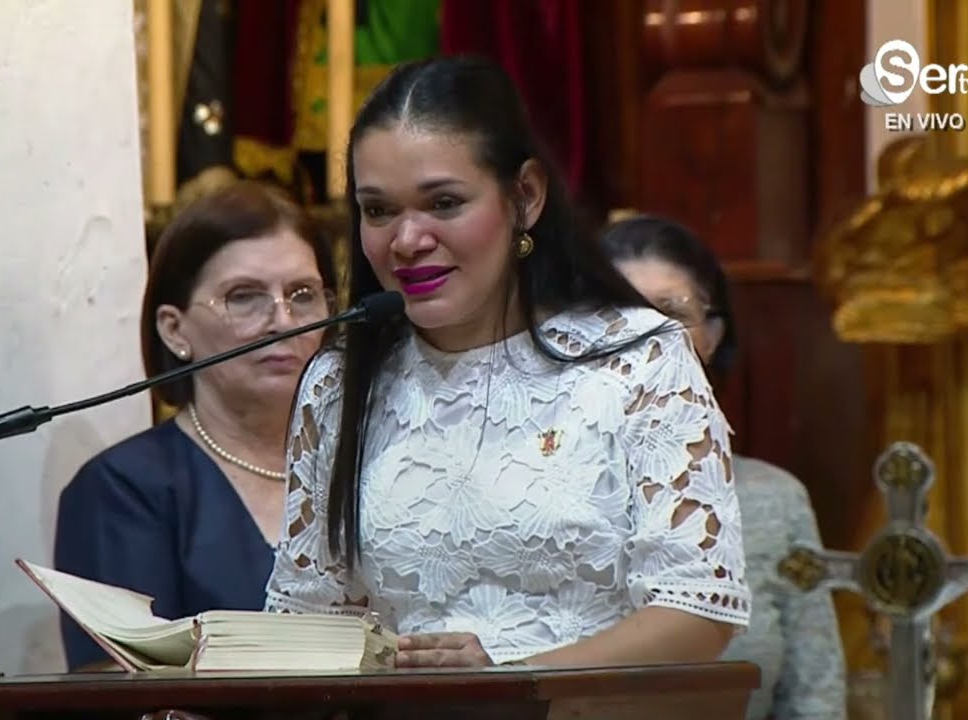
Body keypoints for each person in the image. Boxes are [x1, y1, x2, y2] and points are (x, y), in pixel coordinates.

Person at [263, 56, 750, 668]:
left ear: (525, 196)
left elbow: (697, 611)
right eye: (379, 210)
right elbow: (309, 616)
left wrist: (510, 683)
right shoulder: (339, 385)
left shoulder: (638, 360)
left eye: (443, 203)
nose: (407, 241)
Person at [54, 181, 337, 671]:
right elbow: (124, 696)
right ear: (174, 329)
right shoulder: (124, 490)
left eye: (303, 294)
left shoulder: (372, 464)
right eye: (244, 296)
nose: (283, 320)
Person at [601, 214, 846, 719]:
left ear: (712, 336)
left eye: (669, 312)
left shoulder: (775, 500)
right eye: (619, 315)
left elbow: (814, 698)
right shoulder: (535, 495)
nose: (646, 338)